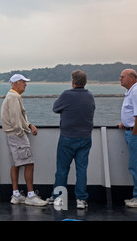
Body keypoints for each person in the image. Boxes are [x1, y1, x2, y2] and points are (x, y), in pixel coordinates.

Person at [50, 70, 95, 209]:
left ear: (73, 82)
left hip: (68, 137)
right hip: (85, 137)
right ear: (85, 82)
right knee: (82, 169)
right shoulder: (90, 96)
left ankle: (58, 198)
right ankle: (81, 200)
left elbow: (55, 108)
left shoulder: (67, 94)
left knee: (62, 169)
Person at [0, 74, 48, 206]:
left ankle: (16, 195)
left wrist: (29, 124)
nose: (25, 84)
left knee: (16, 164)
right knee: (29, 163)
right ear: (15, 83)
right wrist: (23, 133)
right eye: (23, 82)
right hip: (17, 136)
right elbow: (16, 121)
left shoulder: (11, 96)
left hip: (11, 135)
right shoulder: (14, 97)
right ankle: (31, 196)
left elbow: (19, 117)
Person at [118, 68, 137, 208]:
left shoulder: (135, 91)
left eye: (122, 77)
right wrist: (124, 122)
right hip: (129, 130)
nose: (120, 79)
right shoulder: (130, 91)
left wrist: (134, 133)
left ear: (131, 77)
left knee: (135, 166)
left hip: (134, 134)